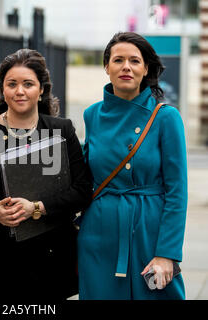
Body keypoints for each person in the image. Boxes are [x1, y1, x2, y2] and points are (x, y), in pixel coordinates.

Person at [0, 48, 93, 301]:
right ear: (3, 89)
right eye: (11, 84)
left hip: (46, 260)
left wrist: (37, 207)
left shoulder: (62, 130)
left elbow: (82, 189)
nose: (19, 91)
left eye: (28, 84)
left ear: (42, 90)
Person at [77, 32, 187, 300]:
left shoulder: (166, 117)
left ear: (145, 68)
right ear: (107, 67)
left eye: (134, 61)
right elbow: (81, 176)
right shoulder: (92, 115)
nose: (126, 66)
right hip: (98, 237)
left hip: (149, 234)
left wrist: (167, 253)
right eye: (118, 60)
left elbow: (177, 192)